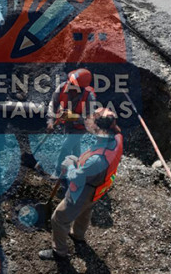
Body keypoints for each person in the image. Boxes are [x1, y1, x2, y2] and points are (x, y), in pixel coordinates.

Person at [39, 108, 123, 261]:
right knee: (86, 211)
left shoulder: (97, 159)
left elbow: (75, 177)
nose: (89, 124)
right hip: (99, 187)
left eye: (93, 123)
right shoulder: (117, 138)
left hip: (84, 190)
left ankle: (59, 252)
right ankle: (77, 235)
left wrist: (70, 165)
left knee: (58, 218)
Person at [44, 68, 98, 178]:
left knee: (66, 147)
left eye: (73, 84)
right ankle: (79, 167)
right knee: (75, 147)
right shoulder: (62, 87)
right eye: (70, 81)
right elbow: (52, 105)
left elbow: (90, 120)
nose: (69, 84)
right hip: (67, 125)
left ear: (81, 87)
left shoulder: (89, 97)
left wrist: (73, 117)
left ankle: (58, 171)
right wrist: (50, 121)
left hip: (80, 128)